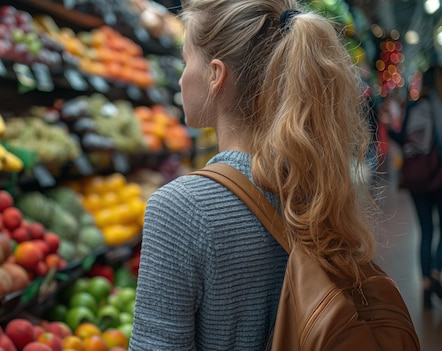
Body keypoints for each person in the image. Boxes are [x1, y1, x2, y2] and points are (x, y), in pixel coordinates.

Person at [128, 1, 377, 350]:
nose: (182, 78)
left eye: (187, 61)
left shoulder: (180, 209)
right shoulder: (316, 184)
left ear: (216, 74)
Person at [386, 66, 442, 308]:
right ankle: (437, 271)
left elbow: (401, 138)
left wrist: (388, 127)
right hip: (438, 179)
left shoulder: (413, 106)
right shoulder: (437, 105)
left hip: (416, 181)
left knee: (426, 231)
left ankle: (426, 286)